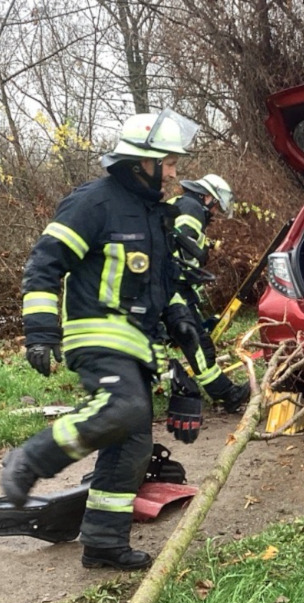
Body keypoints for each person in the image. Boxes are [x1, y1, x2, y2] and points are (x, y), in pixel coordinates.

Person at [3, 109, 200, 571]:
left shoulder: (155, 215)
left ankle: (104, 543)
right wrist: (40, 331)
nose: (173, 172)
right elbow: (43, 265)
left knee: (131, 446)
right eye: (167, 163)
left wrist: (179, 319)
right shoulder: (93, 203)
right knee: (124, 407)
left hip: (137, 341)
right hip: (97, 331)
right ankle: (28, 460)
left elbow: (158, 282)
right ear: (140, 163)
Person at [169, 174, 249, 413]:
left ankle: (222, 392)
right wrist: (199, 257)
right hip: (174, 287)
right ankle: (227, 395)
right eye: (214, 205)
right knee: (197, 344)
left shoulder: (181, 204)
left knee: (193, 337)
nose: (214, 211)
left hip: (171, 286)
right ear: (207, 196)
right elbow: (184, 247)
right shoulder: (191, 207)